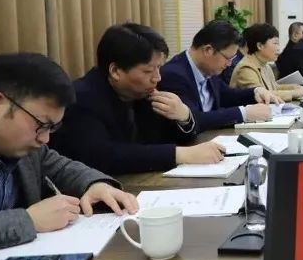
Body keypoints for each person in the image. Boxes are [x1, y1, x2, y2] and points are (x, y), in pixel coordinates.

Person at [0, 53, 138, 251]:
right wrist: (29, 220)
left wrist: (96, 185)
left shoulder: (27, 150)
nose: (45, 139)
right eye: (41, 125)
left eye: (51, 128)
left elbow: (62, 167)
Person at [51, 24, 225, 175]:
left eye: (159, 68)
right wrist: (180, 154)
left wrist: (184, 116)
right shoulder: (82, 98)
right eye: (148, 71)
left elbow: (169, 137)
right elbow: (103, 156)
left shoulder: (144, 92)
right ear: (115, 71)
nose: (157, 77)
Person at [159, 20, 281, 132]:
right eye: (228, 58)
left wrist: (256, 92)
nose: (229, 64)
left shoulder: (209, 69)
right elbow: (193, 118)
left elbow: (227, 95)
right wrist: (243, 113)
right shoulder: (174, 75)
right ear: (208, 50)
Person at [230, 23, 303, 101]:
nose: (278, 48)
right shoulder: (246, 68)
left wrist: (294, 87)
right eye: (275, 43)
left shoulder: (265, 65)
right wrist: (294, 93)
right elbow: (262, 95)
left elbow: (274, 87)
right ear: (260, 46)